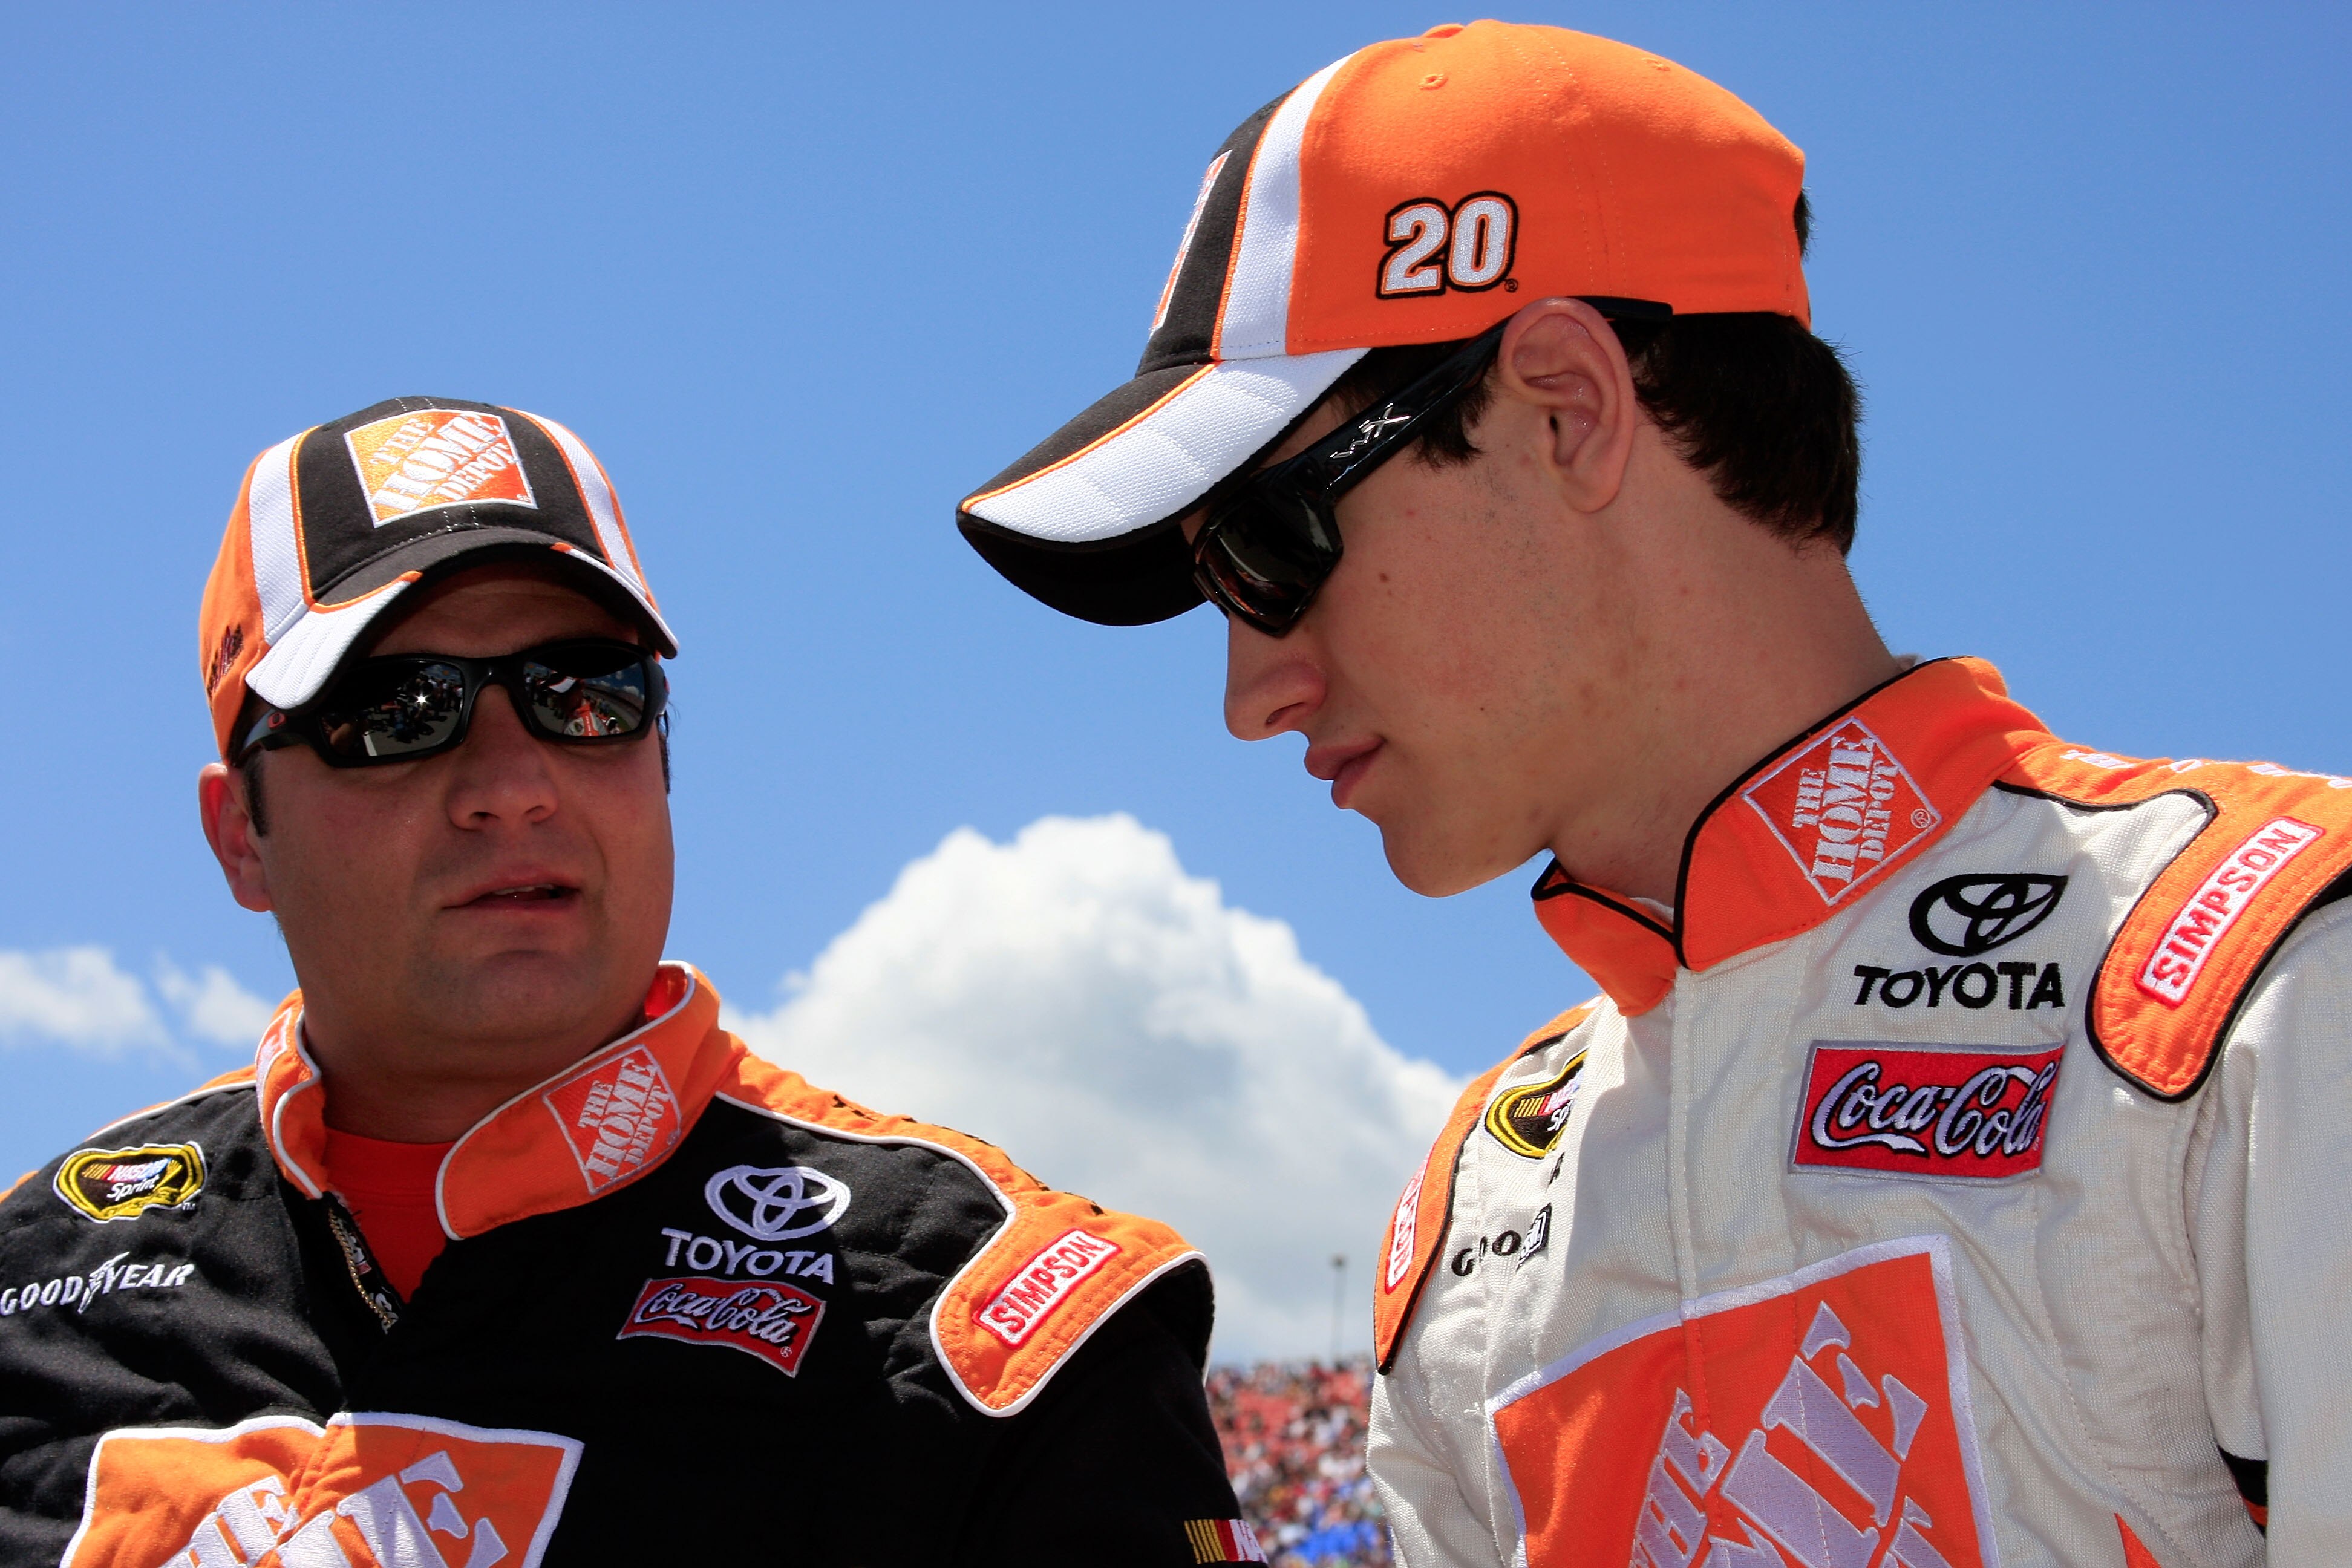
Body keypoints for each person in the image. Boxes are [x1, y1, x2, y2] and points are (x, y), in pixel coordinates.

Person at [955, 22, 2352, 1567]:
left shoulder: (2270, 984)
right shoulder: (1475, 1202)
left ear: (1564, 406)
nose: (1250, 695)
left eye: (1266, 554)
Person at [0, 396, 1265, 1567]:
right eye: (396, 710)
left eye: (587, 695)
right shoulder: (29, 1288)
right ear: (241, 838)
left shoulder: (1006, 1326)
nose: (514, 781)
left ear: (664, 762)